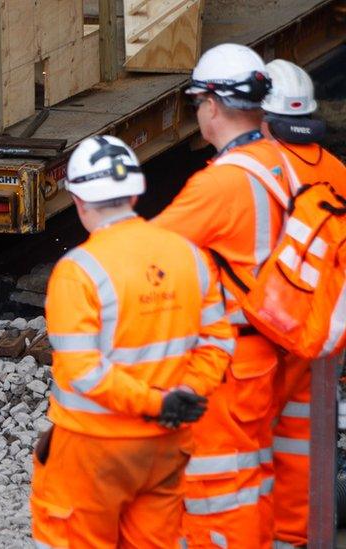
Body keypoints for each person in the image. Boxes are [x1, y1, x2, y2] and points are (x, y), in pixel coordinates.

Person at [31, 135, 233, 548]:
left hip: (95, 448)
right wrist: (184, 396)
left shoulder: (79, 271)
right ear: (136, 192)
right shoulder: (189, 255)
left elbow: (84, 373)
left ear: (79, 200)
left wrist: (154, 403)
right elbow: (219, 341)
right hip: (167, 443)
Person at [152, 43, 289, 548]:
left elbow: (148, 252)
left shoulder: (221, 184)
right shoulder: (279, 160)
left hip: (229, 360)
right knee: (252, 473)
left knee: (217, 486)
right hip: (267, 348)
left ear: (210, 105)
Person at [260, 59, 346, 549]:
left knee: (249, 441)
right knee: (306, 439)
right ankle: (297, 535)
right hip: (323, 331)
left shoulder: (255, 170)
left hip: (271, 326)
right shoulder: (336, 169)